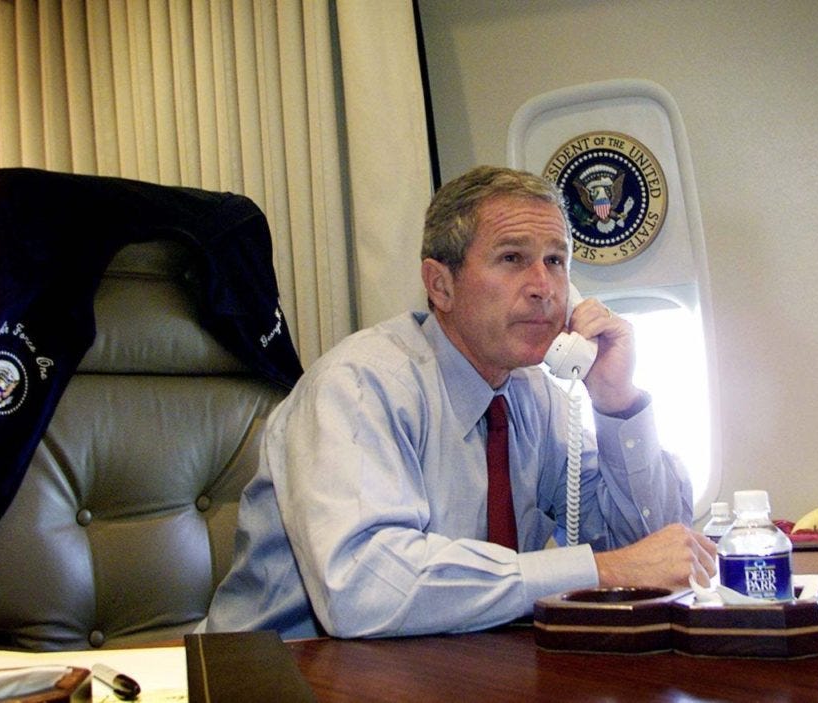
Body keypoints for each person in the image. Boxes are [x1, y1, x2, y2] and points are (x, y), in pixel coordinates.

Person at [202, 165, 716, 639]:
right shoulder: (360, 386)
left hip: (443, 665)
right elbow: (361, 589)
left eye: (556, 261)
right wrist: (601, 571)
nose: (544, 288)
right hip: (280, 673)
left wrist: (615, 401)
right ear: (440, 285)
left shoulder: (536, 394)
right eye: (513, 258)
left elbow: (655, 547)